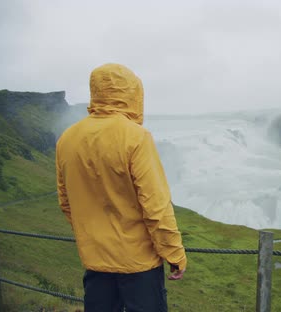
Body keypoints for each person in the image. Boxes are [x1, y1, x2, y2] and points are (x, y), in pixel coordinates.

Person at [56, 63, 187, 312]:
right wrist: (173, 253)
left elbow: (65, 200)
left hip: (96, 263)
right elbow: (155, 205)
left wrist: (93, 238)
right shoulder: (136, 136)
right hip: (139, 266)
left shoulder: (67, 138)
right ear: (132, 94)